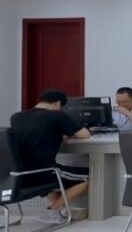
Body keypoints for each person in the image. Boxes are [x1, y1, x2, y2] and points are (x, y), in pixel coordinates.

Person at [10, 89, 91, 224]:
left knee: (53, 179)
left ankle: (60, 209)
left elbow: (33, 134)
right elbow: (84, 135)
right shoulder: (58, 116)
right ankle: (53, 209)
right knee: (92, 176)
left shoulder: (16, 117)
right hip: (44, 173)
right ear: (58, 103)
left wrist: (58, 135)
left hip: (19, 175)